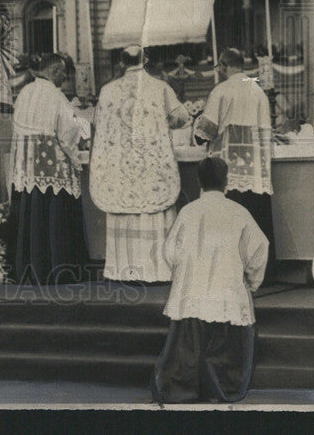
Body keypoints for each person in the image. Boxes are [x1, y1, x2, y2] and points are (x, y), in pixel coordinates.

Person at [151, 157, 268, 404]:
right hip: (227, 295)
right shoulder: (239, 212)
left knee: (186, 347)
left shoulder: (187, 212)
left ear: (199, 181)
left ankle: (186, 387)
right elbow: (259, 250)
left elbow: (170, 252)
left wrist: (187, 272)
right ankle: (221, 386)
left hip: (191, 297)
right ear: (226, 181)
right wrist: (252, 282)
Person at [90, 45, 191, 284]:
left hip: (121, 168)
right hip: (151, 167)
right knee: (152, 213)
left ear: (123, 61)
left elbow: (97, 122)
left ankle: (123, 272)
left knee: (124, 210)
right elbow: (183, 118)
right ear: (145, 59)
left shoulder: (107, 91)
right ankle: (158, 271)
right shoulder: (160, 87)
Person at [9, 52, 91, 285]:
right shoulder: (55, 97)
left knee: (32, 219)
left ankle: (31, 271)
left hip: (26, 170)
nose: (65, 79)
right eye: (64, 74)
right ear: (55, 71)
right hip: (52, 169)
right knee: (56, 220)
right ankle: (61, 271)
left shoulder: (24, 92)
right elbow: (68, 134)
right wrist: (78, 152)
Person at [196, 48, 276, 278]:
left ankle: (231, 271)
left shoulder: (222, 90)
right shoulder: (257, 90)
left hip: (229, 169)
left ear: (223, 65)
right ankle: (264, 272)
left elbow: (207, 130)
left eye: (219, 67)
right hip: (255, 168)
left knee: (231, 217)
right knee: (257, 217)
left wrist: (197, 134)